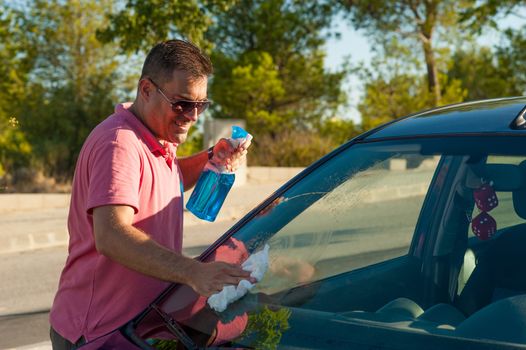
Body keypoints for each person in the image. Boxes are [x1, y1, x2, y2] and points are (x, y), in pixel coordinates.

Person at [49, 39, 253, 349]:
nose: (193, 116)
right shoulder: (120, 144)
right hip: (98, 335)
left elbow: (165, 179)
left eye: (201, 105)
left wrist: (212, 157)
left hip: (134, 329)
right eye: (183, 103)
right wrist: (192, 272)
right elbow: (112, 235)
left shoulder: (153, 139)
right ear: (146, 90)